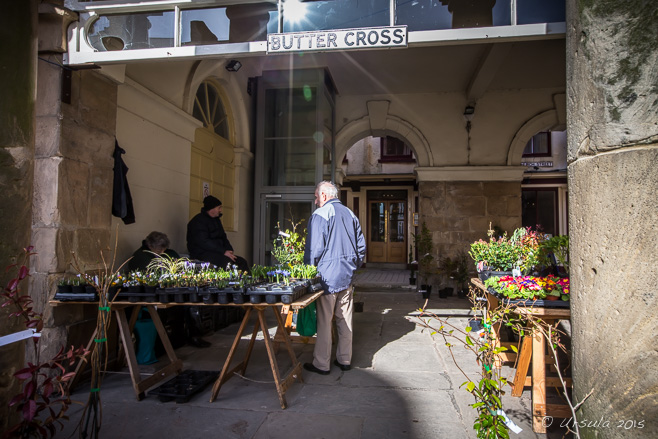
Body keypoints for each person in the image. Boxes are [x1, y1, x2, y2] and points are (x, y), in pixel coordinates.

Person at [303, 181, 366, 375]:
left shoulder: (320, 215)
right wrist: (352, 267)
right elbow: (361, 248)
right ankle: (344, 359)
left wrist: (308, 274)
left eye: (316, 196)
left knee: (324, 322)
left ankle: (322, 364)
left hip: (327, 278)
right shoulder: (350, 213)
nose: (315, 201)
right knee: (345, 320)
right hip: (346, 276)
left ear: (323, 196)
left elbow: (314, 249)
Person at [128, 231, 211, 348]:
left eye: (163, 249)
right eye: (159, 250)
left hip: (174, 289)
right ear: (150, 246)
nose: (162, 252)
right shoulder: (141, 256)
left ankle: (194, 336)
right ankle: (169, 341)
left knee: (192, 301)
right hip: (154, 292)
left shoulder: (169, 253)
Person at [187, 195, 249, 272]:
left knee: (241, 262)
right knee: (226, 263)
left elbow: (223, 236)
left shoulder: (216, 220)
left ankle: (246, 282)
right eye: (219, 207)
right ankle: (228, 282)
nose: (221, 210)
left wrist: (229, 249)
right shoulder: (198, 222)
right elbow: (204, 242)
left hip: (218, 252)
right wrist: (223, 251)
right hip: (202, 253)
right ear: (212, 209)